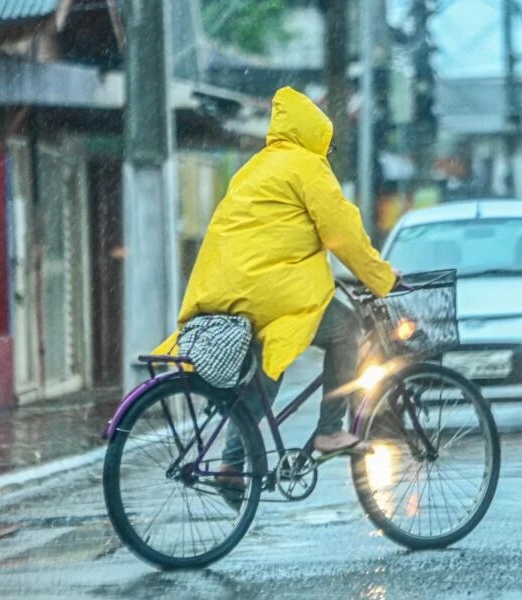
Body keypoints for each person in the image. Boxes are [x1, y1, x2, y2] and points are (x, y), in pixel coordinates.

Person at [150, 86, 398, 477]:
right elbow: (343, 234)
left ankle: (232, 463)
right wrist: (382, 278)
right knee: (346, 328)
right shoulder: (307, 166)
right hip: (272, 290)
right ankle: (330, 431)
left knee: (273, 361)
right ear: (315, 134)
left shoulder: (257, 166)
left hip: (228, 287)